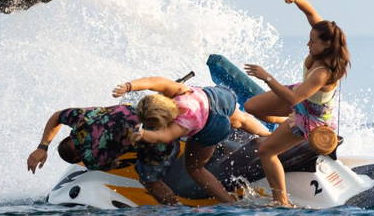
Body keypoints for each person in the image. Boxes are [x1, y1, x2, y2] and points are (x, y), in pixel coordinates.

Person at [242, 0, 350, 207]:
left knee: (266, 151)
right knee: (252, 106)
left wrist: (267, 77)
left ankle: (281, 202)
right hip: (300, 97)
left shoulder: (323, 72)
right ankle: (285, 124)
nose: (308, 45)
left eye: (313, 42)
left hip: (311, 116)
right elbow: (311, 14)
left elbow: (294, 100)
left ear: (327, 45)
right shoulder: (325, 36)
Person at [114, 77, 270, 204]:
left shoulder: (183, 124)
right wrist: (129, 86)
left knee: (195, 168)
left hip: (215, 127)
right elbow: (154, 82)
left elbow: (165, 136)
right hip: (217, 97)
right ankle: (268, 134)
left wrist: (143, 134)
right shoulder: (179, 90)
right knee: (241, 120)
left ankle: (229, 202)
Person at [26, 103, 181, 204]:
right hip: (152, 111)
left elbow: (118, 165)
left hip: (162, 137)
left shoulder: (92, 158)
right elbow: (57, 116)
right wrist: (42, 147)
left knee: (148, 179)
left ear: (78, 158)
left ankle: (175, 207)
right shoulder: (80, 119)